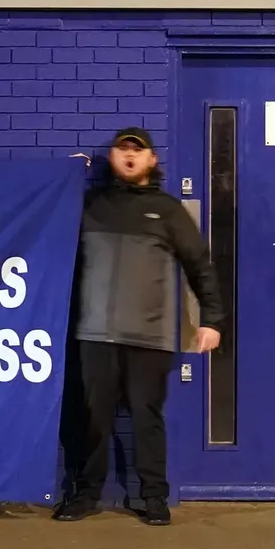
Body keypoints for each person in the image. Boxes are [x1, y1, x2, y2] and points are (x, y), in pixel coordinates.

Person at [54, 128, 225, 526]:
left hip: (149, 338)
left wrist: (212, 320)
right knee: (91, 417)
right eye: (122, 149)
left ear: (151, 161)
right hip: (94, 334)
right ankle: (85, 494)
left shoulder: (167, 211)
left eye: (138, 150)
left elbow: (200, 266)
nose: (129, 156)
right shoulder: (90, 205)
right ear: (112, 158)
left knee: (146, 419)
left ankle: (153, 497)